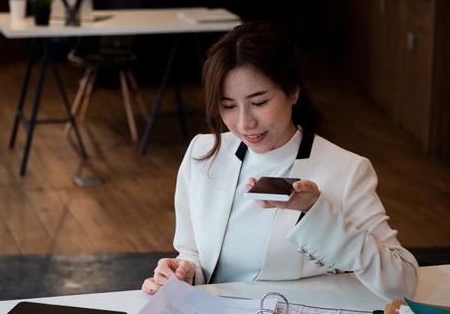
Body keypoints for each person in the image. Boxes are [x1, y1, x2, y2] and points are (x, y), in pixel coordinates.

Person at [141, 21, 418, 300]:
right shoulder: (203, 154)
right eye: (228, 106)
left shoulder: (346, 171)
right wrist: (186, 271)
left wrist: (317, 213)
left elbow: (403, 285)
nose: (244, 122)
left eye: (259, 103)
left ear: (293, 92)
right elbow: (195, 253)